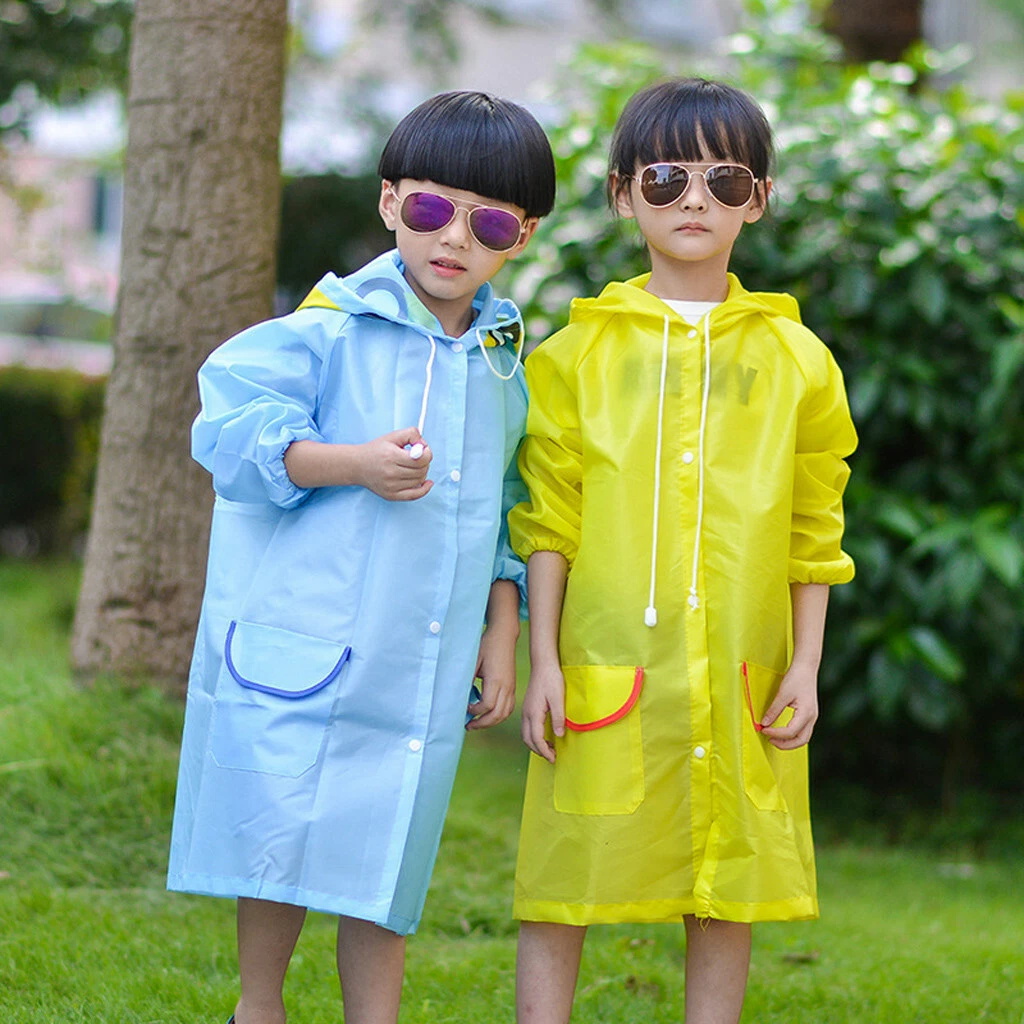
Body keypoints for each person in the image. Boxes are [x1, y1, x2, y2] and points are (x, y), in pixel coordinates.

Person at [166, 90, 555, 1024]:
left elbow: (509, 509)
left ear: (524, 236)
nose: (453, 238)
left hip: (414, 665)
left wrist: (502, 633)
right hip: (309, 643)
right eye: (430, 208)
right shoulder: (326, 328)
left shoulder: (504, 361)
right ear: (389, 202)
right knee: (277, 841)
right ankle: (259, 1007)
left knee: (389, 854)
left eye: (488, 220)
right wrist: (355, 465)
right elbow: (233, 434)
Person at [508, 77, 857, 1024]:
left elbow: (813, 532)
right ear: (623, 193)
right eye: (665, 178)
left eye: (723, 178)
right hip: (604, 667)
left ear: (759, 199)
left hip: (745, 666)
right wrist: (542, 661)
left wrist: (809, 665)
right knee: (564, 877)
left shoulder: (799, 362)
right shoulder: (573, 359)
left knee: (726, 878)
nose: (693, 199)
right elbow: (549, 521)